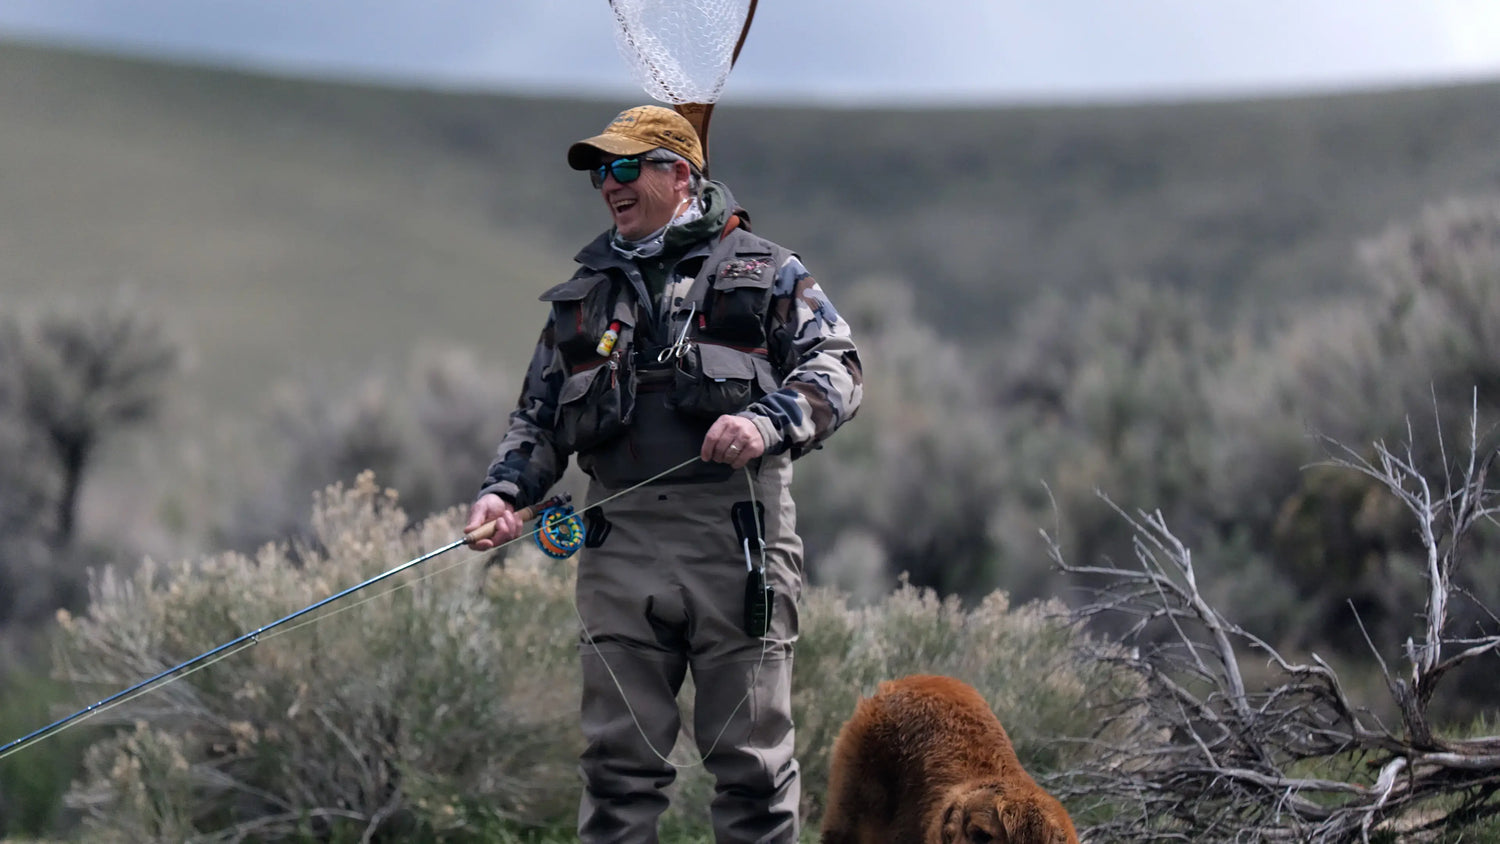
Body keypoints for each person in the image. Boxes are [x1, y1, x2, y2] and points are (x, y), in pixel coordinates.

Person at [465, 104, 862, 843]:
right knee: (618, 770)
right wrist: (503, 492)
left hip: (737, 545)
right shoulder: (584, 299)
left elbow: (839, 367)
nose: (607, 185)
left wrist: (764, 422)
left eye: (624, 167)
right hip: (620, 550)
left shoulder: (768, 270)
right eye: (599, 174)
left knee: (752, 770)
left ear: (680, 175)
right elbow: (537, 419)